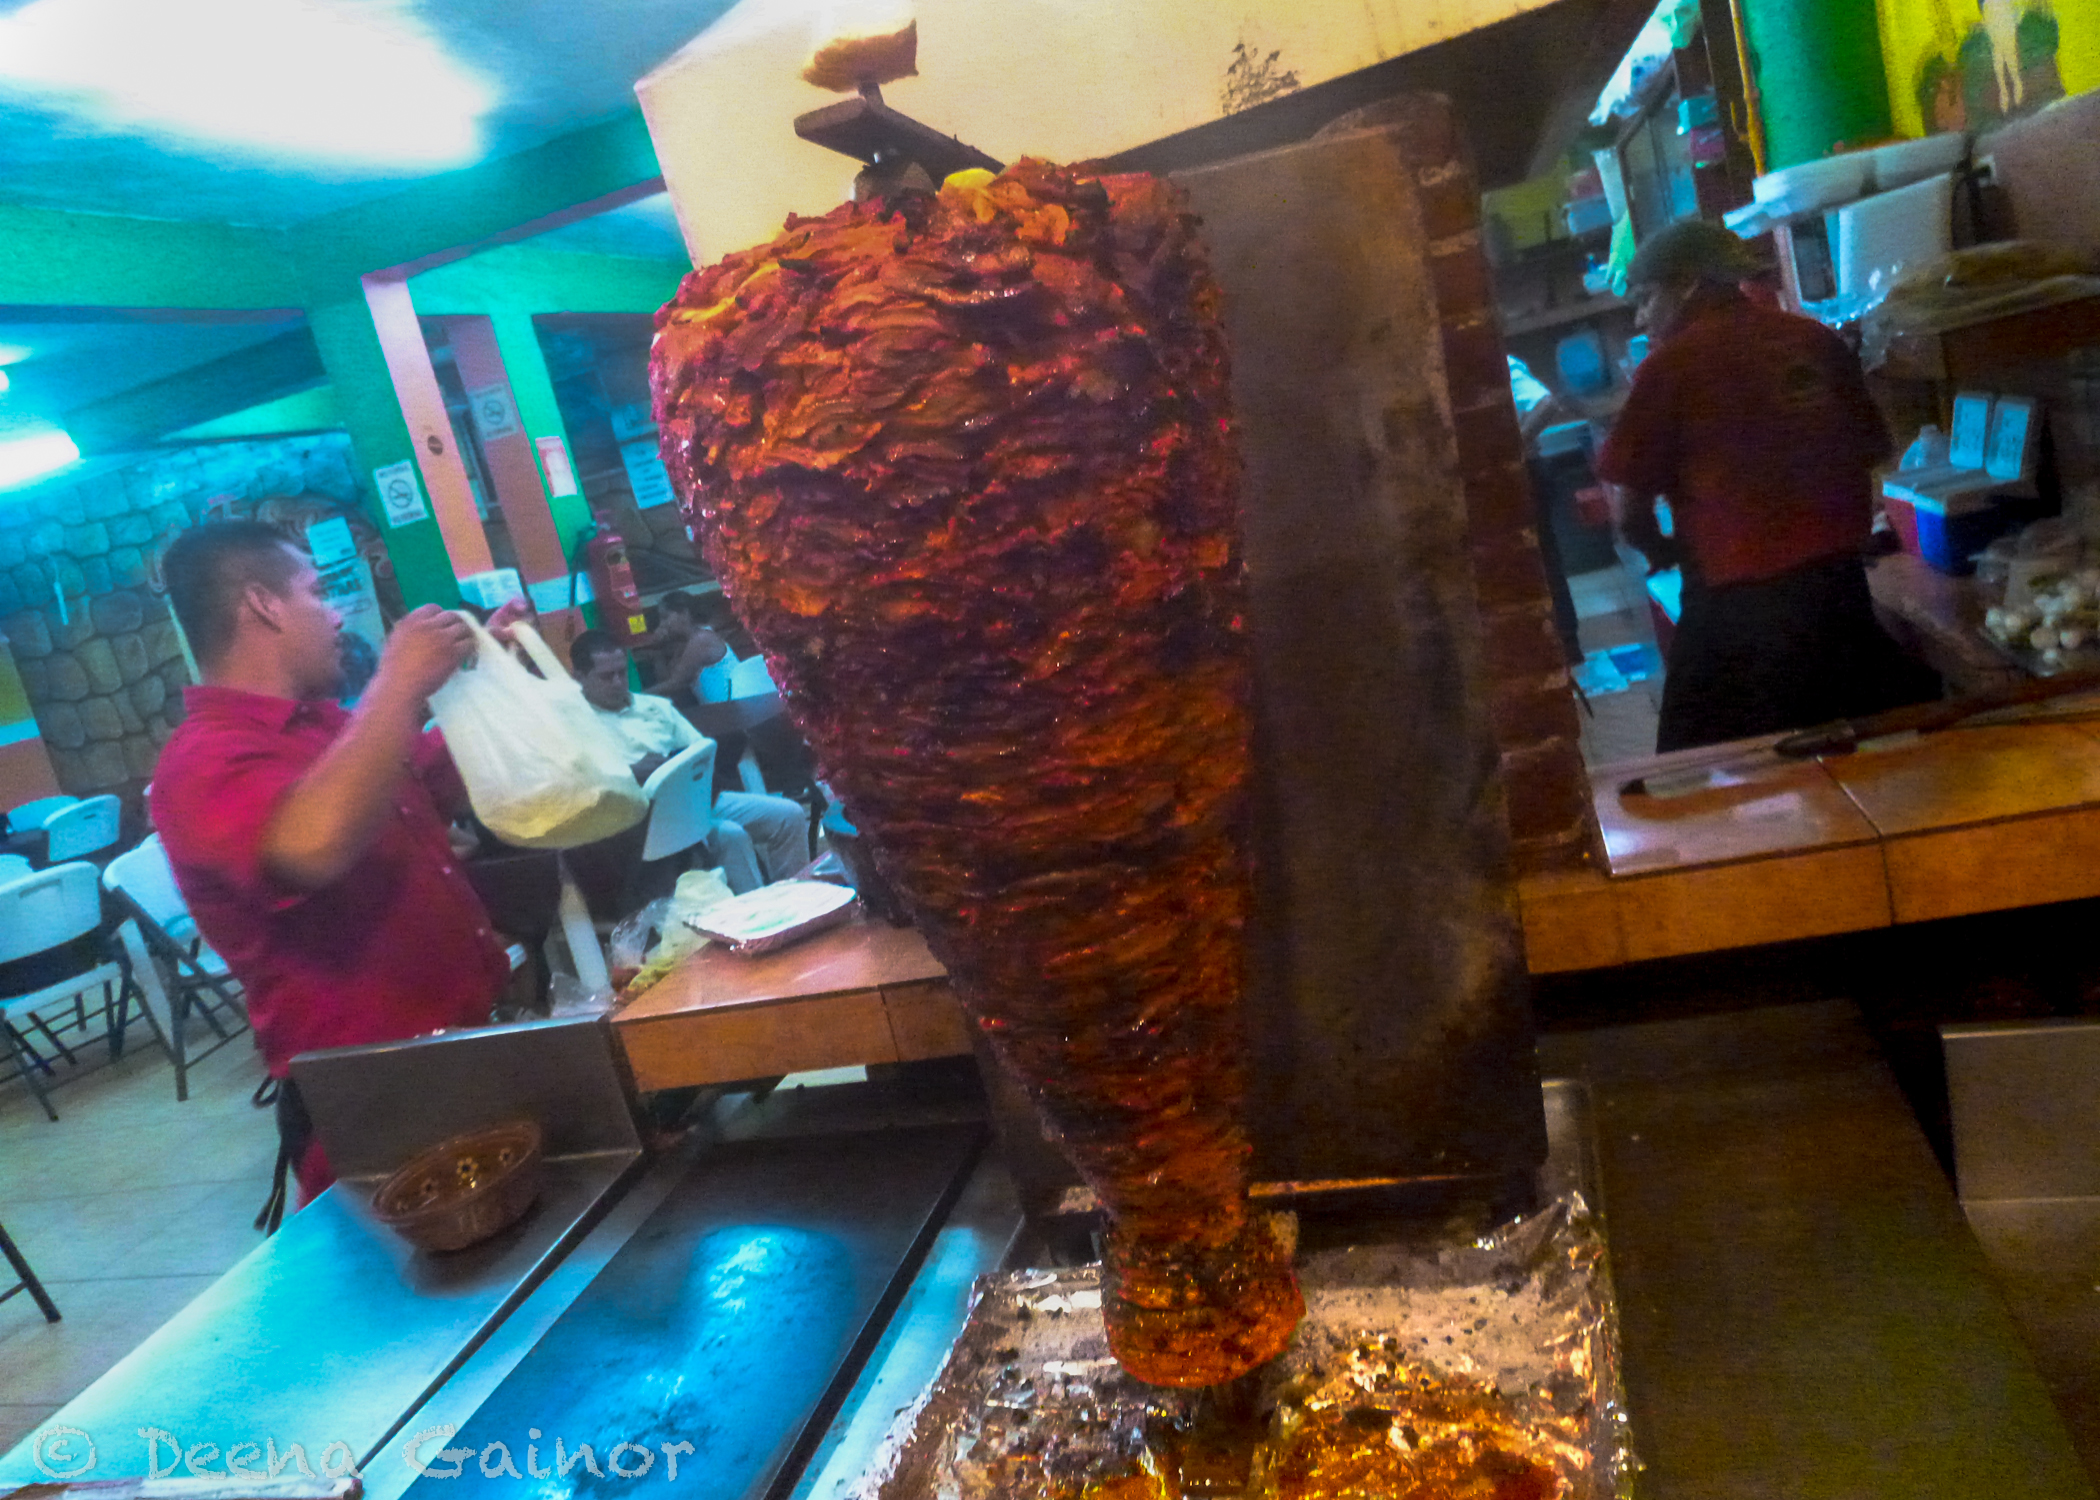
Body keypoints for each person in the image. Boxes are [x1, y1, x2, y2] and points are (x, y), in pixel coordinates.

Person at [151, 520, 533, 1215]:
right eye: (317, 592)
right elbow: (312, 846)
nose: (335, 615)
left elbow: (431, 777)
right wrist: (397, 682)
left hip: (462, 1055)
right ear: (263, 604)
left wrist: (493, 676)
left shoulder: (325, 726)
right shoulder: (201, 760)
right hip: (379, 1108)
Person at [1596, 219, 1939, 752]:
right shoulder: (1813, 340)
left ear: (1688, 283)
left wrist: (1663, 549)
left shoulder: (1671, 367)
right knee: (1866, 755)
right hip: (1839, 593)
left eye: (1645, 299)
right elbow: (1871, 450)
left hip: (1739, 609)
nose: (1642, 318)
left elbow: (1629, 514)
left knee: (1697, 771)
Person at [568, 629, 810, 893]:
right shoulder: (573, 725)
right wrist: (632, 772)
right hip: (641, 820)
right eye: (606, 676)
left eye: (621, 672)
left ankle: (797, 895)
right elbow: (581, 783)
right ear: (579, 677)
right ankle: (758, 910)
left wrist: (676, 767)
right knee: (730, 835)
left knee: (789, 815)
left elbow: (701, 751)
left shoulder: (655, 707)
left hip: (695, 799)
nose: (618, 682)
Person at [645, 589, 730, 709]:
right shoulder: (684, 644)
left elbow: (676, 684)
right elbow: (666, 681)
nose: (662, 625)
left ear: (684, 613)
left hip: (729, 706)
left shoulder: (701, 639)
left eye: (665, 617)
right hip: (713, 709)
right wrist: (657, 652)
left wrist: (636, 696)